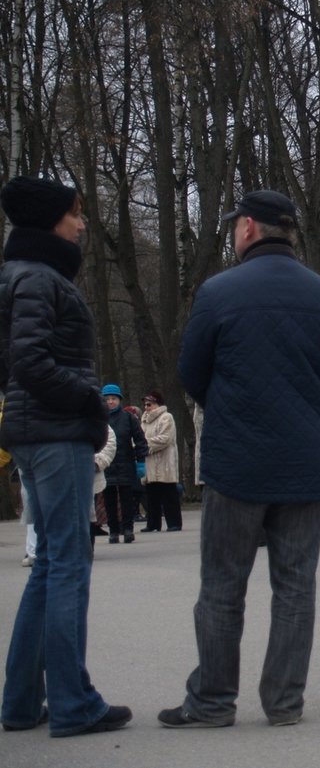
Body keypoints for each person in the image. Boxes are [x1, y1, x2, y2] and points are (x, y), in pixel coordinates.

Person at [159, 189, 320, 729]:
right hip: (302, 463)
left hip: (237, 463)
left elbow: (192, 373)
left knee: (222, 586)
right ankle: (284, 701)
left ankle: (213, 701)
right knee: (295, 587)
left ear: (247, 228)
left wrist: (232, 404)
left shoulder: (218, 292)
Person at [0, 175, 131, 736]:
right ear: (51, 220)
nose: (82, 224)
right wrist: (89, 399)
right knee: (70, 565)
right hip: (54, 433)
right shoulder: (36, 278)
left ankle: (23, 703)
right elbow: (27, 361)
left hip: (35, 429)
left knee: (51, 566)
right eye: (76, 215)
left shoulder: (24, 274)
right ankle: (75, 704)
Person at [100, 384, 148, 542]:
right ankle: (113, 531)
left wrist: (141, 462)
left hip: (126, 463)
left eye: (113, 399)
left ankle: (128, 529)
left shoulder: (128, 418)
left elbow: (140, 440)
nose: (110, 402)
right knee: (109, 501)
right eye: (107, 399)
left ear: (119, 400)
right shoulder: (100, 419)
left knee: (128, 500)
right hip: (106, 465)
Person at [140, 390, 182, 532]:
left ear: (158, 404)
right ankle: (153, 524)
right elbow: (139, 439)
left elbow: (165, 438)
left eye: (150, 404)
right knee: (152, 495)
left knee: (169, 493)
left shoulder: (166, 417)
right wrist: (141, 445)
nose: (147, 407)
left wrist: (145, 445)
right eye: (145, 404)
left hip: (165, 461)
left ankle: (174, 523)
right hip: (150, 462)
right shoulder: (144, 420)